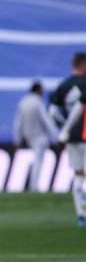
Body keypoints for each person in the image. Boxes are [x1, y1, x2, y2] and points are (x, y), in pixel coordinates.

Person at [49, 52, 86, 227]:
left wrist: (65, 128)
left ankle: (81, 215)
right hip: (84, 135)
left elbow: (53, 112)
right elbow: (80, 106)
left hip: (71, 138)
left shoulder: (63, 86)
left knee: (79, 174)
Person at [13, 81, 59, 192]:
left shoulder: (23, 102)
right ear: (38, 90)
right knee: (38, 162)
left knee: (36, 161)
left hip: (28, 137)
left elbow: (18, 122)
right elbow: (46, 120)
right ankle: (33, 187)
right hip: (40, 137)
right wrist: (56, 135)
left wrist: (17, 138)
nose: (43, 92)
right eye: (42, 90)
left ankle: (32, 186)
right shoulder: (38, 102)